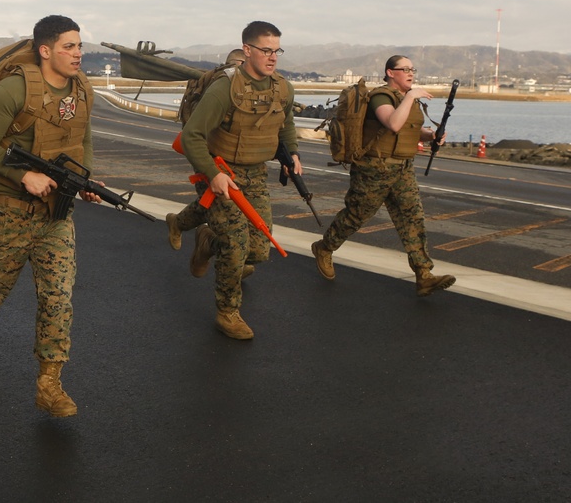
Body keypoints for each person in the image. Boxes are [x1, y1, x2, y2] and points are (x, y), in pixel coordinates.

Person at [0, 14, 99, 417]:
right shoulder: (15, 89)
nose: (77, 54)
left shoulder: (82, 91)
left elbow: (83, 139)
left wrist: (83, 180)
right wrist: (24, 175)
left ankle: (49, 384)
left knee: (58, 297)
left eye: (79, 45)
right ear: (45, 50)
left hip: (57, 215)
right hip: (8, 212)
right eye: (69, 46)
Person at [178, 21, 301, 340]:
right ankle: (227, 311)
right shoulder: (225, 88)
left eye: (277, 50)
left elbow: (285, 124)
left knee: (259, 249)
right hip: (221, 170)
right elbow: (191, 136)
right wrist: (213, 173)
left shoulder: (283, 88)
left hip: (255, 174)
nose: (273, 57)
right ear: (247, 50)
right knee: (236, 245)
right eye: (266, 50)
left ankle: (207, 241)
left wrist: (293, 155)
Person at [311, 55, 456, 296]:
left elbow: (408, 130)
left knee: (412, 218)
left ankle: (424, 274)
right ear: (390, 72)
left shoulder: (405, 99)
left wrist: (430, 135)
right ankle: (324, 248)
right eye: (405, 69)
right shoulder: (381, 96)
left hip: (402, 168)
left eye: (413, 69)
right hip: (374, 169)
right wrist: (411, 96)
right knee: (356, 216)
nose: (411, 73)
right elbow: (392, 123)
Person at [165, 48, 246, 253]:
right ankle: (221, 252)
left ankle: (178, 223)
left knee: (212, 203)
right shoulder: (219, 85)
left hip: (232, 157)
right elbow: (195, 131)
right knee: (222, 213)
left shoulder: (246, 88)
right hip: (206, 154)